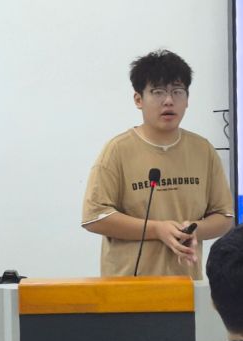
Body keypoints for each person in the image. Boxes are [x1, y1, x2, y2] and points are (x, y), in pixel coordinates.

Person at [81, 49, 233, 278]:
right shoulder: (117, 150)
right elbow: (94, 217)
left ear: (187, 99)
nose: (169, 100)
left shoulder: (203, 150)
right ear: (138, 99)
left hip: (186, 286)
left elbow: (224, 217)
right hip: (128, 288)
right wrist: (156, 229)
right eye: (158, 92)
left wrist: (193, 230)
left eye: (177, 92)